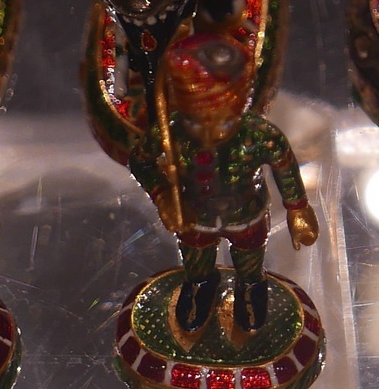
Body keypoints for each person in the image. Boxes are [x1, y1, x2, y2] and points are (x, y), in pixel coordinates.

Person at [129, 33, 319, 336]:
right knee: (197, 260)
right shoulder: (172, 132)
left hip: (247, 212)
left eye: (220, 118)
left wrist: (297, 208)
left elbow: (284, 165)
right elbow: (141, 161)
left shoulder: (259, 136)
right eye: (197, 118)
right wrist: (162, 194)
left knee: (249, 258)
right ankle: (200, 285)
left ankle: (251, 287)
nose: (208, 129)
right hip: (194, 213)